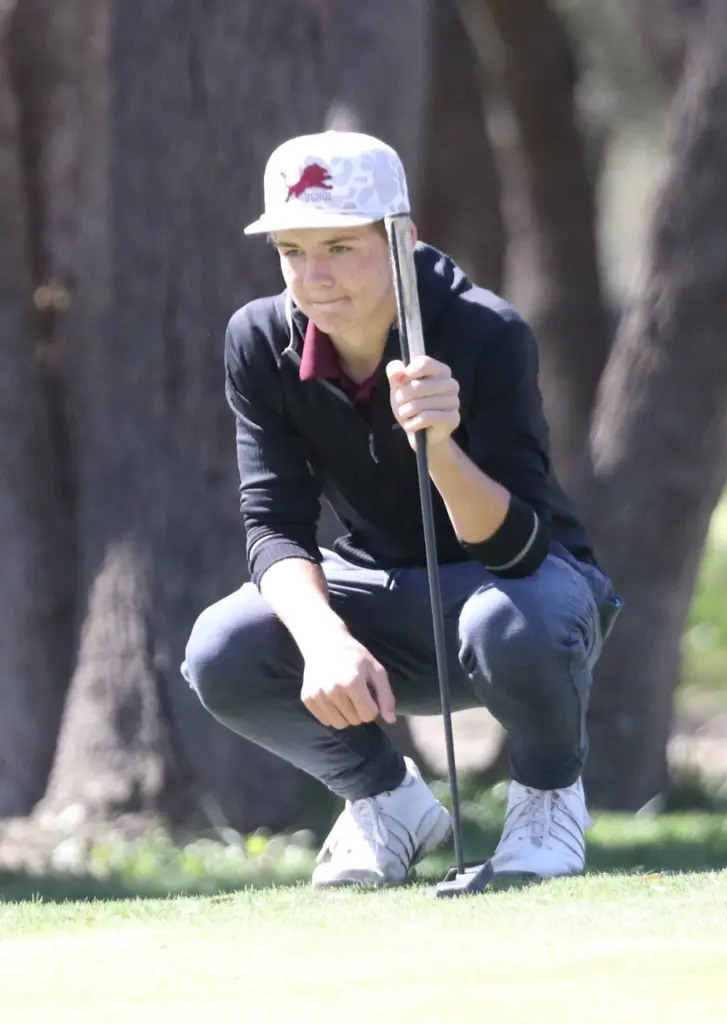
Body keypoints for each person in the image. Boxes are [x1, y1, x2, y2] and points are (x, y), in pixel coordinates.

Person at [181, 129, 620, 890]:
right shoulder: (258, 340)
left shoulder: (486, 330)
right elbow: (273, 525)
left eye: (340, 248)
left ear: (402, 239)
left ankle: (548, 801)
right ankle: (387, 802)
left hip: (526, 598)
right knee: (223, 647)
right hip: (379, 595)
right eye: (292, 251)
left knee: (509, 622)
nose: (314, 278)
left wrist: (440, 448)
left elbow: (517, 550)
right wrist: (323, 640)